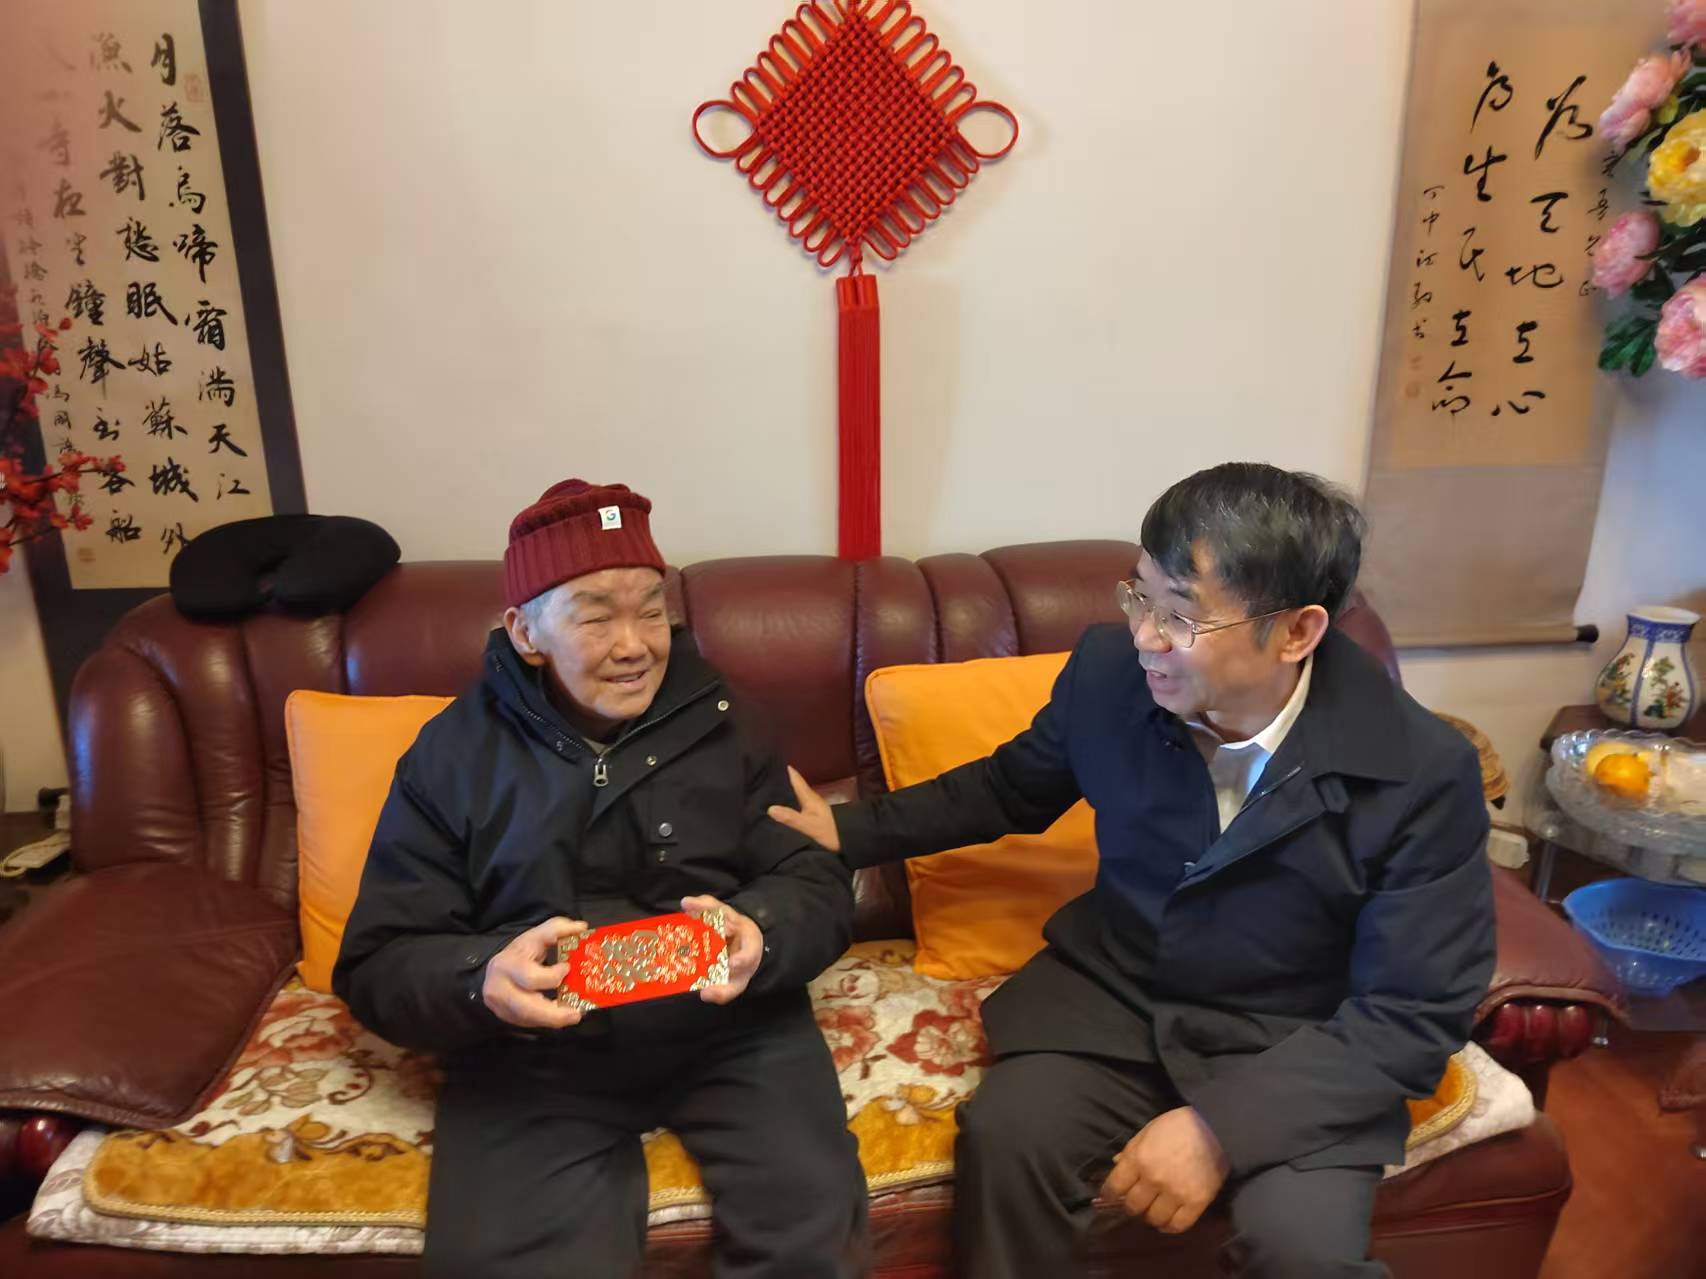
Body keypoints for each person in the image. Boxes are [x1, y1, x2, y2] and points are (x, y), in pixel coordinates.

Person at [769, 462, 1494, 1278]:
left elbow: (1413, 1012)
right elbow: (1009, 787)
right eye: (1139, 596)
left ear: (1296, 632)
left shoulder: (1420, 770)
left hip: (1296, 1040)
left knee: (1302, 1249)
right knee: (1010, 1137)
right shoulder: (1111, 671)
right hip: (1118, 998)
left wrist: (1219, 1129)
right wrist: (846, 828)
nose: (1146, 635)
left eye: (1181, 614)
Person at [336, 478, 868, 1279]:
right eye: (595, 617)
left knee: (812, 1233)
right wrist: (482, 979)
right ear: (525, 632)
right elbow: (379, 960)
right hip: (534, 1053)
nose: (634, 645)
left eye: (651, 611)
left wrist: (761, 932)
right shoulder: (451, 756)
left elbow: (815, 878)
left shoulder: (728, 720)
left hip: (731, 1029)